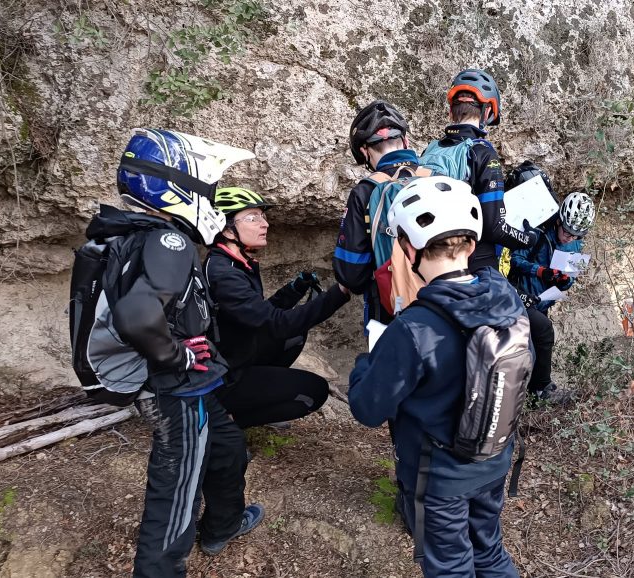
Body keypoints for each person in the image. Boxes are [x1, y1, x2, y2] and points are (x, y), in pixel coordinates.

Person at [348, 176, 527, 577]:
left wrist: (366, 362)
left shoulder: (413, 328)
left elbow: (367, 409)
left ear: (410, 248)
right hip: (495, 457)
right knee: (489, 551)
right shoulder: (506, 299)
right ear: (470, 243)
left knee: (449, 567)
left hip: (440, 476)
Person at [103, 128, 262, 576]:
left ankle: (223, 525)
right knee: (176, 492)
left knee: (228, 447)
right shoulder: (167, 240)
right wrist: (179, 356)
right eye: (206, 188)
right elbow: (137, 314)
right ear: (178, 183)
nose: (209, 198)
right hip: (177, 390)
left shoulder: (137, 232)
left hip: (194, 385)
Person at [204, 187, 351, 429]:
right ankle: (223, 422)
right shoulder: (224, 274)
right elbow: (276, 324)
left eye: (263, 216)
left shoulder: (236, 263)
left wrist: (293, 290)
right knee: (313, 391)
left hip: (236, 354)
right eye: (253, 217)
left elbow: (258, 314)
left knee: (294, 337)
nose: (265, 224)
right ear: (224, 227)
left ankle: (253, 397)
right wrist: (341, 291)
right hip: (223, 377)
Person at [420, 69, 538, 272]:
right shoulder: (482, 152)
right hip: (472, 264)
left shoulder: (431, 148)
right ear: (487, 113)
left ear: (451, 111)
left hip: (428, 258)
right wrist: (528, 238)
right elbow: (494, 227)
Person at [334, 100, 426, 323]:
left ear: (364, 151)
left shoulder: (365, 191)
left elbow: (351, 274)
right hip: (447, 305)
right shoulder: (438, 178)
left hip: (390, 312)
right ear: (404, 141)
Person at [509, 191, 596, 405]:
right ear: (559, 220)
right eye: (567, 232)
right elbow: (515, 260)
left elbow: (570, 282)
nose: (569, 238)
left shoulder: (576, 245)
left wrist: (563, 280)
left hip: (543, 301)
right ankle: (541, 389)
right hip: (521, 295)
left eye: (576, 235)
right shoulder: (539, 231)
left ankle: (531, 396)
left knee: (535, 347)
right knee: (543, 332)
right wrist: (542, 271)